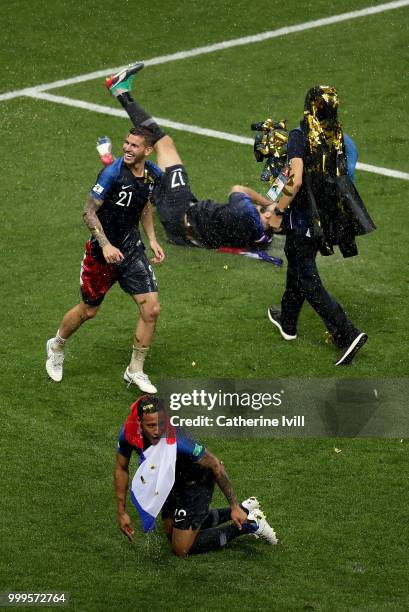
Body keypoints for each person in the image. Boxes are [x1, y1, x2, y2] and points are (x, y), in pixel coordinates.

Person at [104, 63, 279, 251]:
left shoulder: (246, 212)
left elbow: (238, 190)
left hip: (181, 210)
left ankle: (120, 90)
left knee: (164, 143)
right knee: (160, 185)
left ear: (267, 216)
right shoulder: (263, 239)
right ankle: (113, 163)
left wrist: (268, 203)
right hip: (180, 234)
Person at [45, 128, 165, 393]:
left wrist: (153, 239)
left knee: (151, 309)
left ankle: (135, 370)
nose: (127, 148)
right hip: (102, 254)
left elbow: (144, 205)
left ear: (147, 150)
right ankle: (57, 346)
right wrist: (106, 244)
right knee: (89, 311)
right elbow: (88, 212)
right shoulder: (111, 173)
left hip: (131, 250)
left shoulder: (152, 174)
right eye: (126, 143)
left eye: (134, 145)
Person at [265, 85, 376, 366]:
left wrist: (277, 209)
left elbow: (296, 179)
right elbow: (347, 170)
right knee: (297, 261)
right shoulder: (338, 137)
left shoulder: (300, 136)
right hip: (326, 218)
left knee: (307, 278)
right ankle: (287, 321)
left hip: (303, 218)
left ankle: (346, 333)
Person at [114, 395, 278, 556]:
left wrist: (233, 505)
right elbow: (121, 468)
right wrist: (121, 512)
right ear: (139, 424)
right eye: (151, 426)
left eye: (161, 424)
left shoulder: (179, 441)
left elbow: (215, 464)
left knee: (181, 548)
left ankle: (251, 523)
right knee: (170, 530)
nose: (157, 431)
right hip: (172, 480)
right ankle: (245, 508)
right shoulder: (129, 434)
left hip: (196, 482)